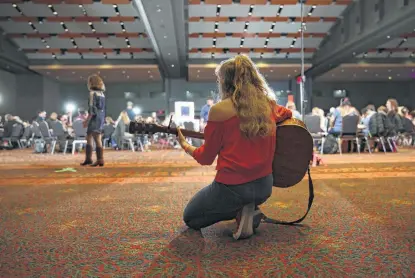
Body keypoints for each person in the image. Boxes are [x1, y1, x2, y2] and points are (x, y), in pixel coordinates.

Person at [176, 55, 292, 240]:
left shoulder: (219, 110)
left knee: (191, 218)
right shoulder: (268, 106)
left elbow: (206, 158)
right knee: (234, 198)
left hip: (232, 188)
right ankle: (247, 209)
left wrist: (185, 145)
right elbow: (288, 114)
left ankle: (239, 209)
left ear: (225, 81)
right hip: (265, 186)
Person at [80, 74, 106, 167]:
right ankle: (93, 159)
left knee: (93, 138)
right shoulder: (102, 94)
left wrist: (86, 121)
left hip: (94, 118)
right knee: (92, 137)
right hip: (101, 117)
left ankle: (96, 159)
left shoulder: (92, 93)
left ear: (91, 83)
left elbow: (92, 110)